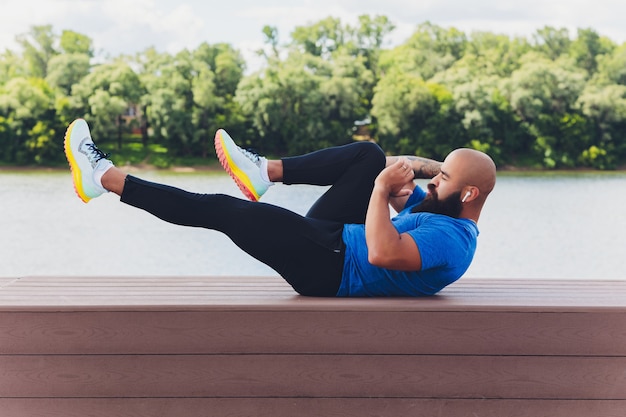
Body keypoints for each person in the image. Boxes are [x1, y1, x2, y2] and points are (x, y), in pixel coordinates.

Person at [64, 118, 496, 297]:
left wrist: (382, 192)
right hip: (332, 242)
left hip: (330, 265)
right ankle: (264, 172)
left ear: (470, 194)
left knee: (220, 210)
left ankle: (105, 178)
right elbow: (385, 171)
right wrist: (441, 167)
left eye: (443, 179)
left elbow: (383, 252)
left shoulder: (452, 242)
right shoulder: (443, 212)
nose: (432, 181)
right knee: (368, 156)